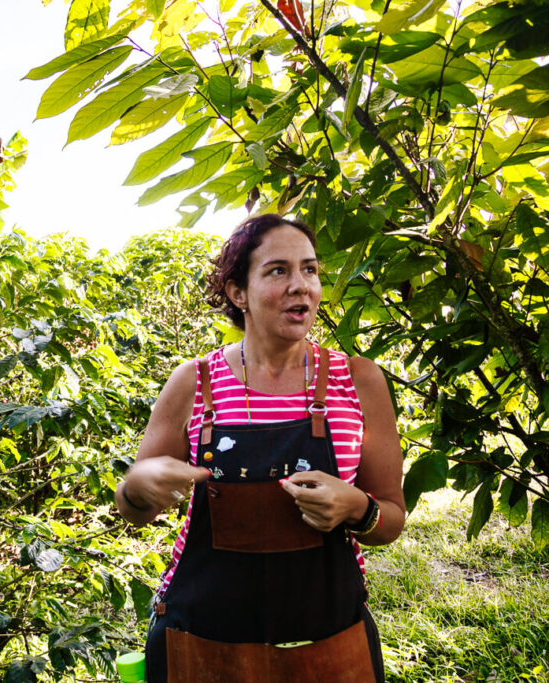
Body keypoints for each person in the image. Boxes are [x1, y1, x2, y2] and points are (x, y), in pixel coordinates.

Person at [116, 214, 405, 682]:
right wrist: (138, 487)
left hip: (329, 642)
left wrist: (357, 507)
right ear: (238, 293)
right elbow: (132, 509)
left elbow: (390, 519)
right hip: (202, 642)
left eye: (310, 270)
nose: (301, 286)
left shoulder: (358, 380)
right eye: (278, 271)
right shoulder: (195, 382)